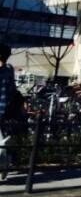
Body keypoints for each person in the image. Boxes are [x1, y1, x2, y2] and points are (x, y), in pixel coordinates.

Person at [0, 44, 16, 181]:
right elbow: (12, 90)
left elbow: (12, 90)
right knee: (3, 142)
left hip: (4, 111)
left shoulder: (9, 70)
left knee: (4, 142)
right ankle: (4, 165)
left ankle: (4, 165)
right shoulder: (9, 70)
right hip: (4, 110)